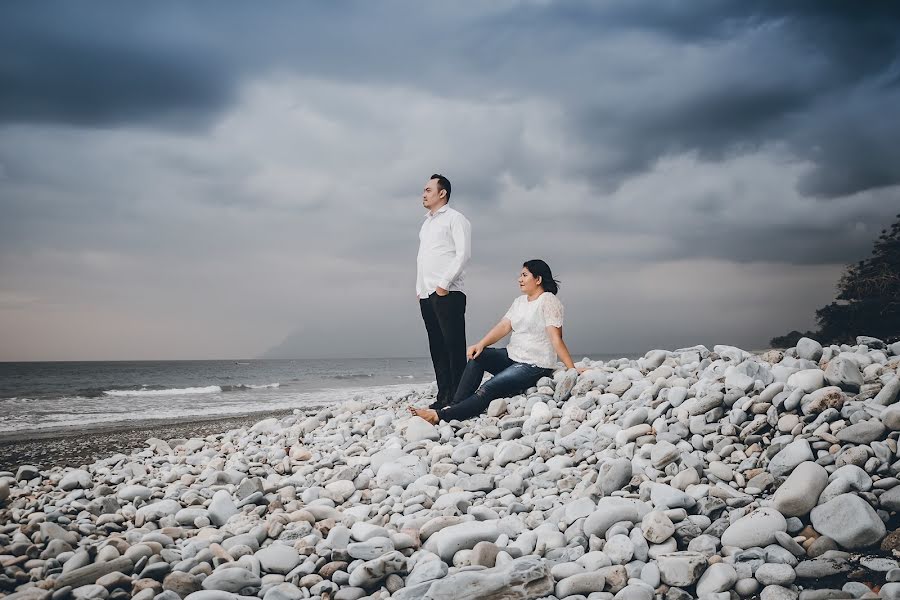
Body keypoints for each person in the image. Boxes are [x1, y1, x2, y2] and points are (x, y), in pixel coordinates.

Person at [411, 259, 584, 424]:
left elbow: (556, 338)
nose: (519, 279)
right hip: (512, 356)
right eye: (520, 275)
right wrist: (481, 344)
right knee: (478, 356)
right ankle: (455, 405)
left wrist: (572, 369)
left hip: (533, 364)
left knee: (489, 388)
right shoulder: (520, 302)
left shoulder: (548, 300)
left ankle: (440, 416)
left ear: (538, 279)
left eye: (524, 275)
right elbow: (503, 326)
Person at [416, 173, 472, 409]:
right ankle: (443, 396)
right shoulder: (426, 223)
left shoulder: (456, 219)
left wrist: (443, 284)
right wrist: (420, 289)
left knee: (453, 346)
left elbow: (463, 254)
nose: (424, 193)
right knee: (436, 347)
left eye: (428, 190)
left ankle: (460, 397)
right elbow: (424, 258)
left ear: (442, 193)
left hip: (447, 292)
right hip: (427, 293)